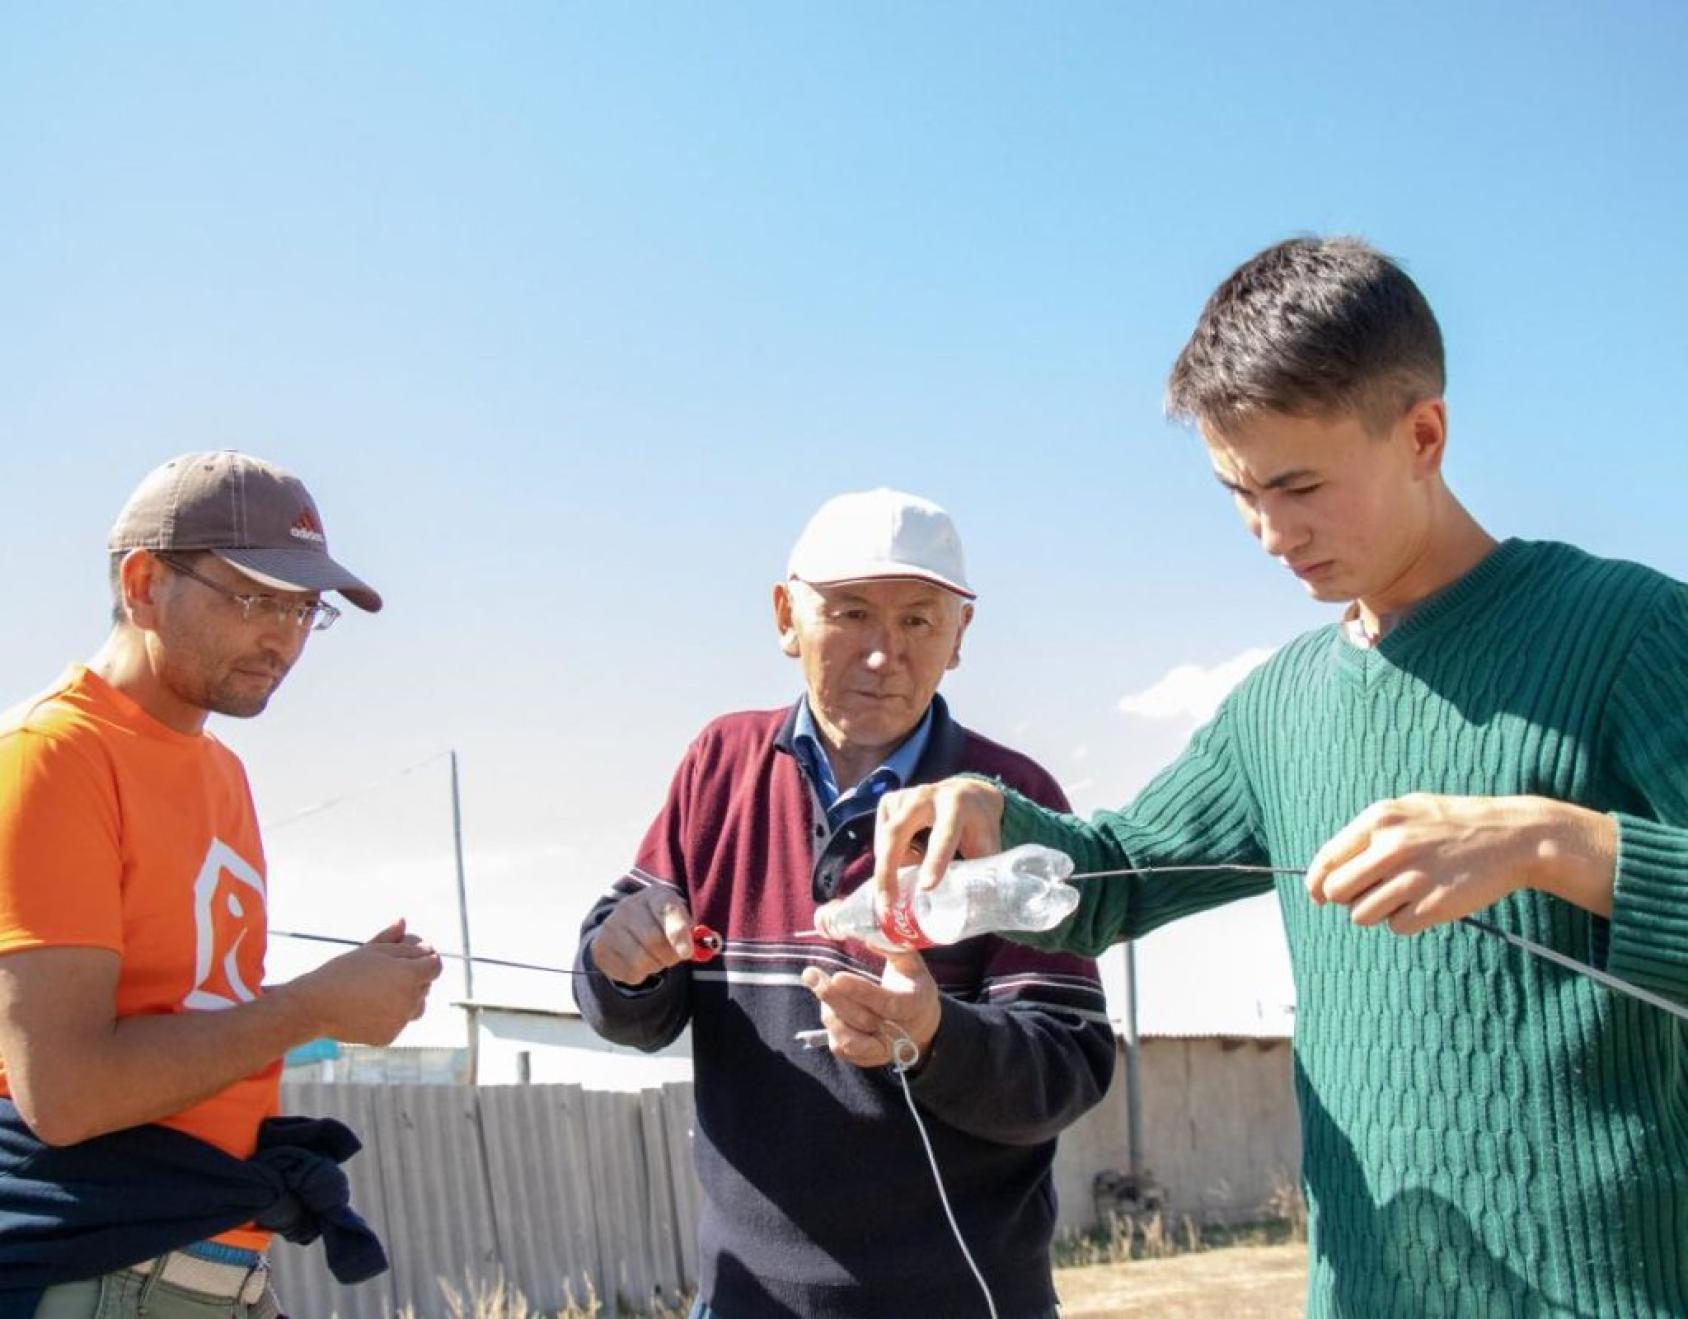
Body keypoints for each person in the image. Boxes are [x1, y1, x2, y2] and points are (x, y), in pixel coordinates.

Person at [859, 239, 1688, 1317]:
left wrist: (1551, 841)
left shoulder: (1628, 630)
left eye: (1297, 485)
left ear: (1422, 434)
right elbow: (1114, 874)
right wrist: (988, 811)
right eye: (1236, 491)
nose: (1265, 532)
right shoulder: (1277, 705)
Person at [574, 489, 1115, 1318]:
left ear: (961, 635)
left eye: (919, 622)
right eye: (852, 613)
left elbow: (1068, 1065)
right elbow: (631, 1004)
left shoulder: (1006, 803)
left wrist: (935, 1035)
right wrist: (623, 965)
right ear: (786, 615)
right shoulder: (720, 765)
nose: (882, 654)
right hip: (743, 1299)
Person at [0, 451, 443, 1318]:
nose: (283, 636)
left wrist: (344, 992)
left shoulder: (221, 773)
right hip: (98, 1271)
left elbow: (193, 1022)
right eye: (255, 597)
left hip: (209, 1266)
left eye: (305, 609)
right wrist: (311, 1005)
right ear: (142, 582)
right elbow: (66, 1092)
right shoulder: (53, 758)